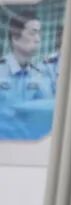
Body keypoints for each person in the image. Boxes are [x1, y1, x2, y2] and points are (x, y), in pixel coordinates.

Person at [0, 10, 55, 139]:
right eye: (33, 33)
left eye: (39, 33)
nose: (38, 39)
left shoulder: (41, 76)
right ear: (15, 38)